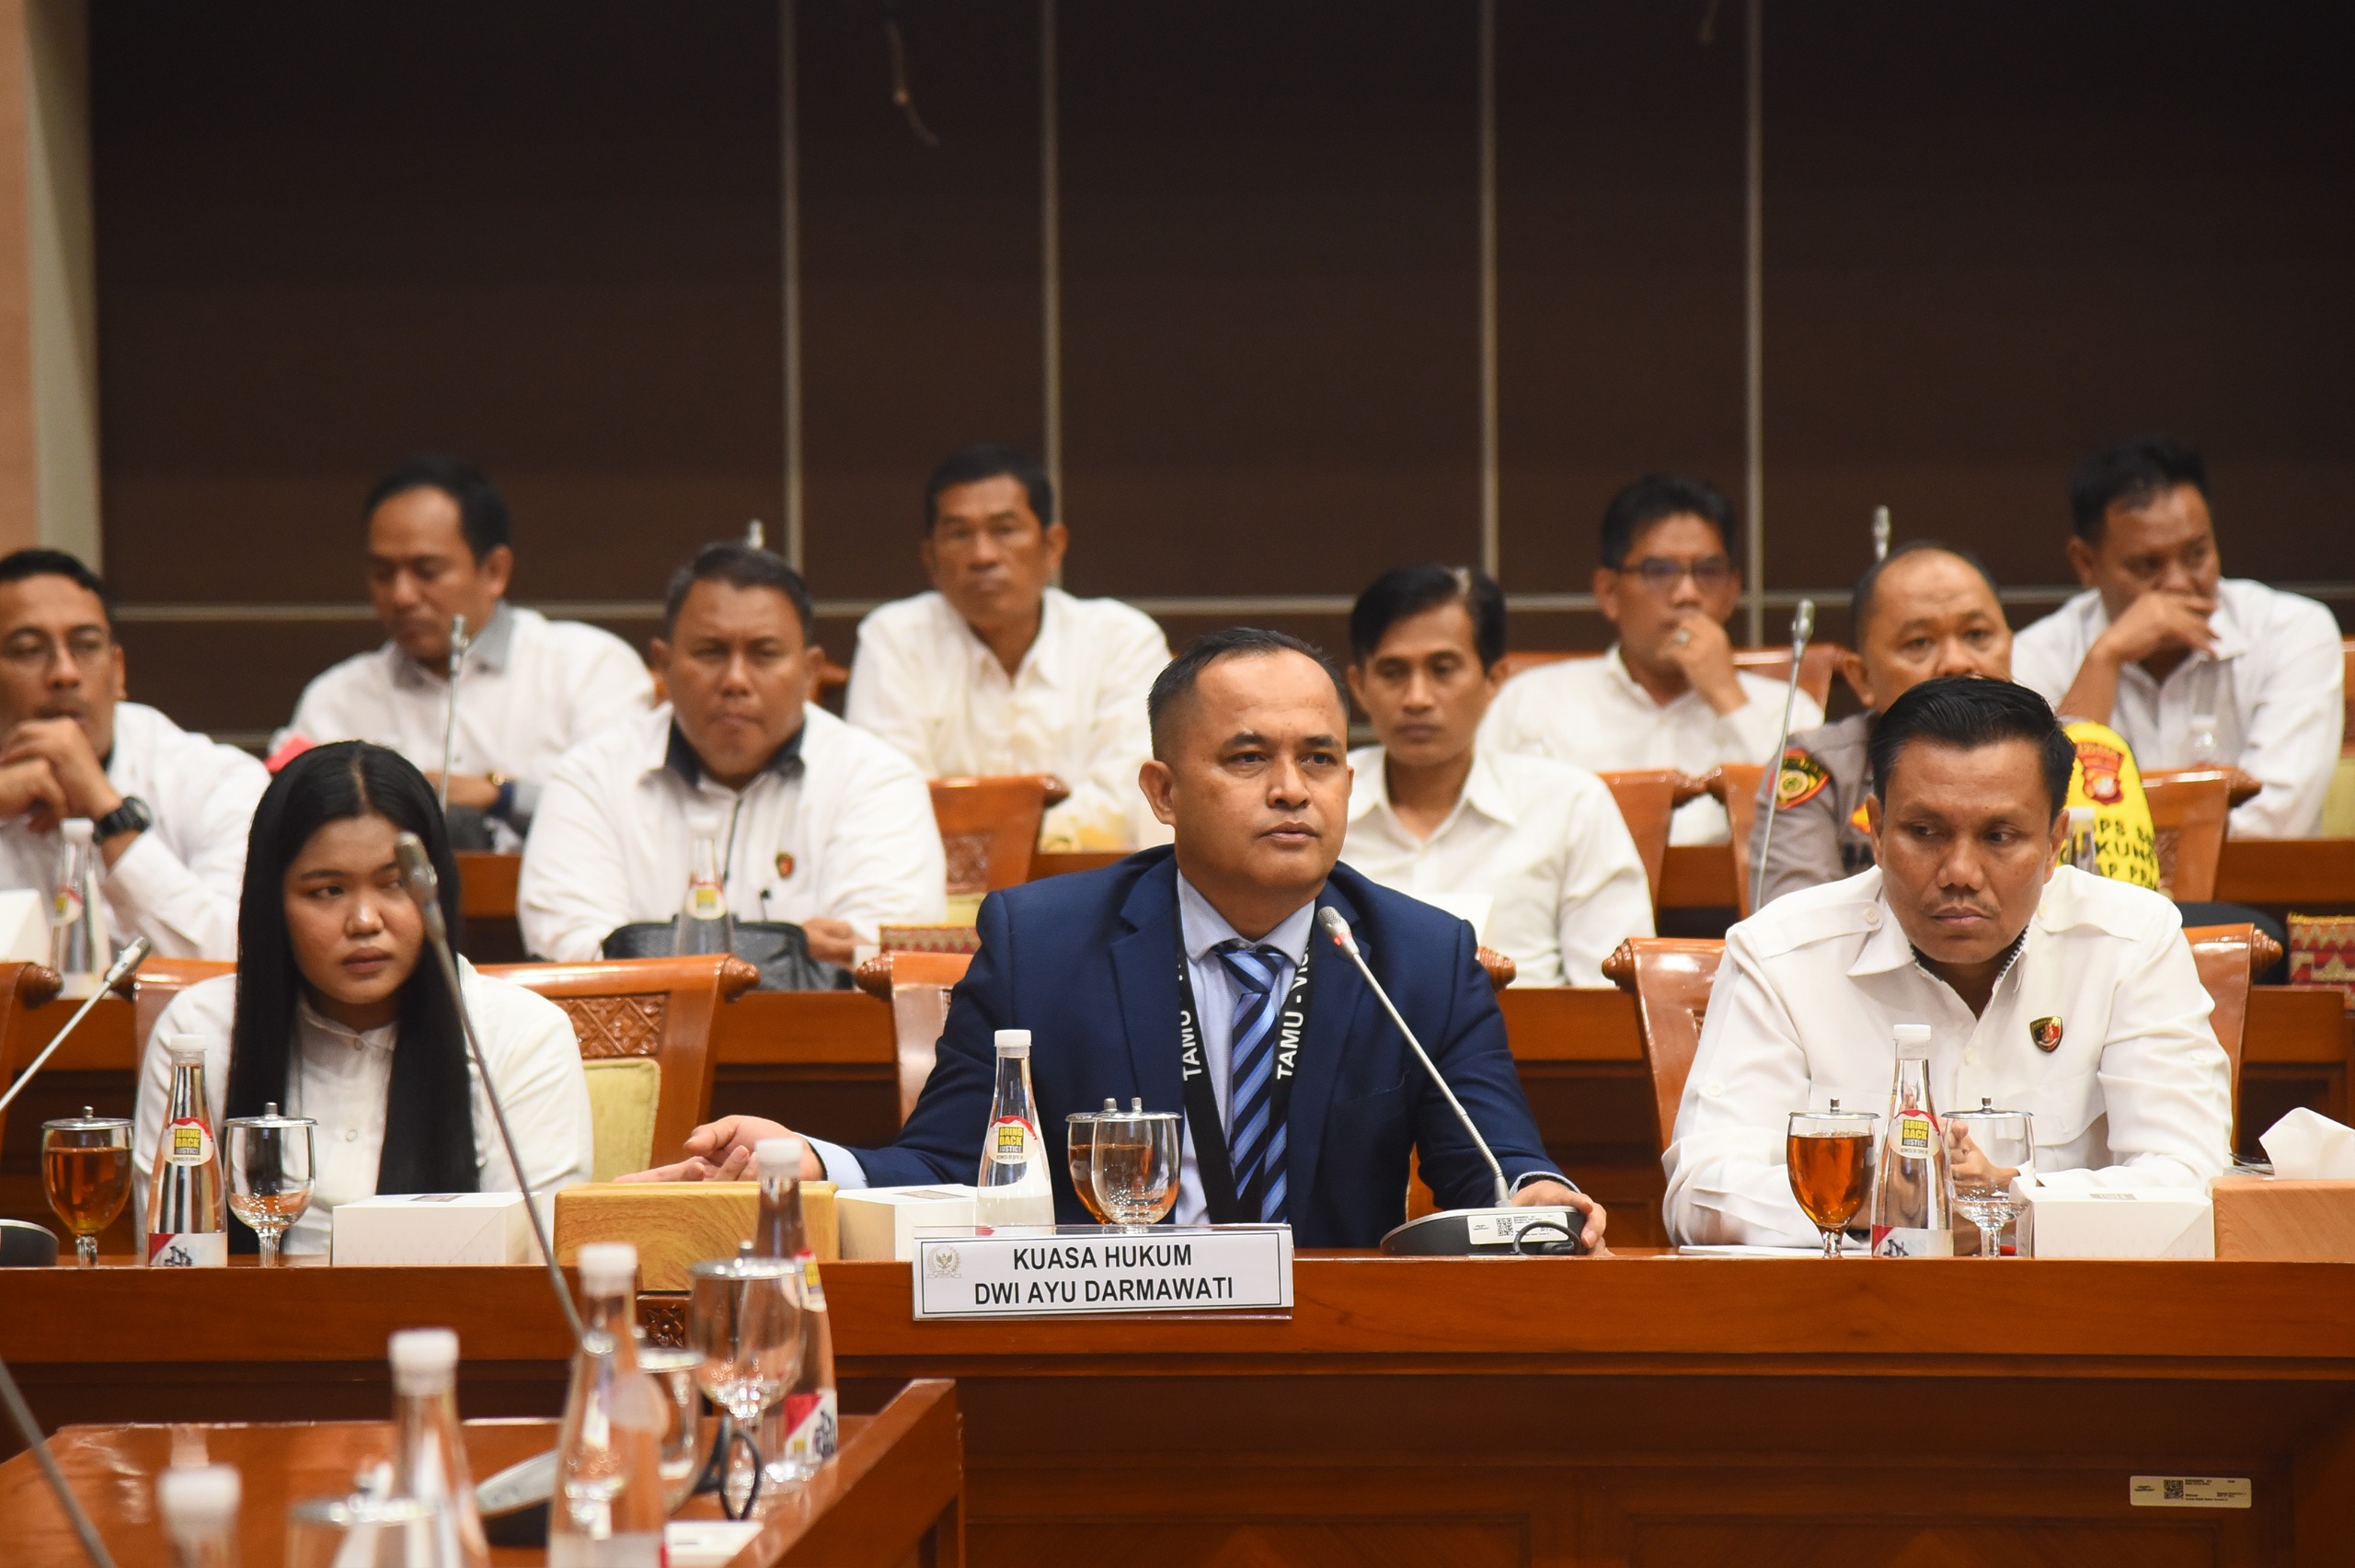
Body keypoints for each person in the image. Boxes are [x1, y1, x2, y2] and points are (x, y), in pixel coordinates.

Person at [628, 628, 1606, 1253]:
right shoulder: (1041, 942)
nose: (1291, 789)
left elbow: (1498, 1170)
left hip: (1336, 1361)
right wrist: (809, 1157)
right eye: (1246, 757)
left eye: (1319, 758)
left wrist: (1541, 1194)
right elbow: (951, 1165)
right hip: (1107, 1346)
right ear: (1162, 791)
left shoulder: (1415, 954)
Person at [1662, 677, 2232, 1249]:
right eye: (1925, 832)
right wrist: (1883, 1199)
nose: (1960, 870)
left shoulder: (2131, 942)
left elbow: (2193, 1184)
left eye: (2000, 835)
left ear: (2056, 840)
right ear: (1878, 832)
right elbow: (1702, 1191)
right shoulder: (1782, 954)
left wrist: (2016, 1203)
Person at [134, 743, 593, 1253]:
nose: (365, 922)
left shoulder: (521, 1033)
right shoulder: (200, 1032)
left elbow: (538, 1263)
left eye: (394, 884)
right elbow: (171, 1258)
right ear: (272, 901)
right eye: (328, 891)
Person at [519, 543, 946, 967]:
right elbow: (572, 952)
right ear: (663, 665)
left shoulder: (876, 778)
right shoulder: (591, 776)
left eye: (764, 654)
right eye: (711, 652)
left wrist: (657, 947)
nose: (735, 680)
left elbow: (879, 957)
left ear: (809, 671)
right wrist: (787, 947)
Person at [1751, 542, 2161, 908]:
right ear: (1861, 678)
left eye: (1977, 634)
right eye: (1919, 643)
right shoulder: (1816, 766)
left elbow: (2117, 922)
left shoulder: (2079, 751)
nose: (1956, 662)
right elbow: (1792, 925)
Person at [277, 454, 655, 849]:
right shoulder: (336, 700)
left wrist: (501, 797)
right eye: (383, 574)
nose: (401, 596)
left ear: (495, 571)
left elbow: (627, 813)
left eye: (427, 571)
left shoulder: (589, 667)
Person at [2011, 435, 2344, 837]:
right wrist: (2106, 658)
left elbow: (2274, 823)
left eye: (2197, 555)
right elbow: (2043, 819)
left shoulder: (2292, 631)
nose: (2179, 584)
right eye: (2147, 565)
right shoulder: (2037, 653)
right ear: (2086, 563)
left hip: (2259, 898)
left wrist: (2127, 842)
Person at [845, 442, 1170, 851]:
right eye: (960, 534)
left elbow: (1129, 800)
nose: (983, 555)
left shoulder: (1121, 639)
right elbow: (888, 803)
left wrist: (989, 835)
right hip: (939, 893)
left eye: (1005, 530)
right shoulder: (894, 638)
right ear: (930, 558)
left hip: (1089, 889)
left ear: (1052, 546)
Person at [1339, 564, 1653, 987]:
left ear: (1494, 679)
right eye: (1393, 672)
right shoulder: (1321, 804)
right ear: (1359, 686)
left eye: (1443, 669)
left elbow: (1615, 996)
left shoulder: (1569, 804)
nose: (1416, 698)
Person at [1479, 474, 1821, 844]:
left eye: (1708, 571)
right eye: (1659, 571)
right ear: (1609, 592)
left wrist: (1727, 697)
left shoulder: (1790, 710)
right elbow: (1489, 834)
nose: (1687, 594)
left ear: (1732, 590)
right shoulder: (1531, 703)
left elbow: (1807, 830)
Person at [0, 550, 267, 959]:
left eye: (86, 646)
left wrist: (109, 813)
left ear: (118, 670)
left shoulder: (219, 781)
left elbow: (236, 961)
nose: (65, 673)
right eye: (29, 650)